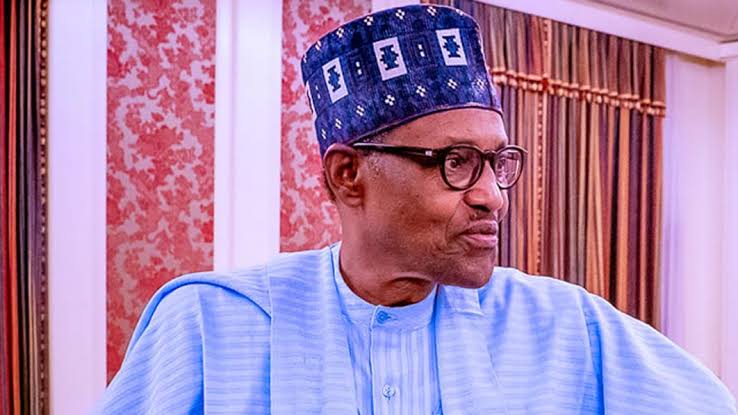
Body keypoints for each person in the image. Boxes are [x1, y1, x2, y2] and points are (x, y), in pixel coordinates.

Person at [94, 4, 736, 414]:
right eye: (456, 162)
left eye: (498, 162)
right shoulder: (211, 325)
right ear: (348, 176)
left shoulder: (564, 326)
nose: (492, 196)